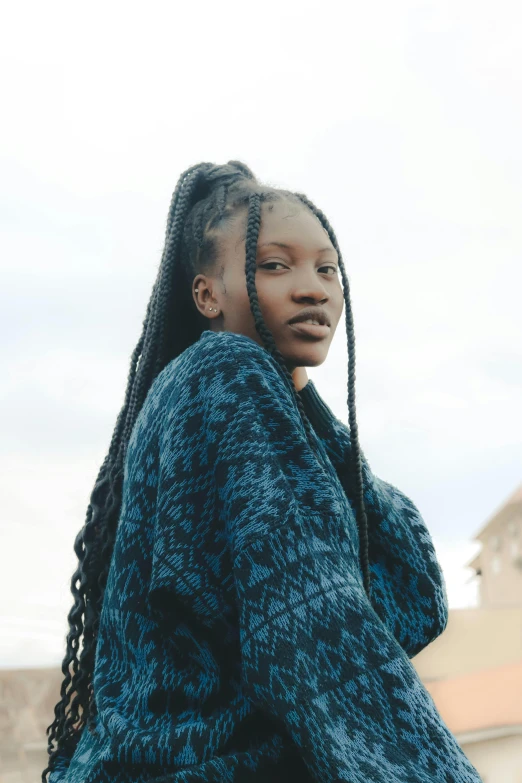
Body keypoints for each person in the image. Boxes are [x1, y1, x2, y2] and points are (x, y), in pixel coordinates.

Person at [43, 161, 482, 782]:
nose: (314, 288)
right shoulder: (227, 373)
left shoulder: (220, 391)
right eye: (275, 265)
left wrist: (300, 389)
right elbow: (312, 628)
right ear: (206, 295)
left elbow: (413, 595)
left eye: (327, 268)